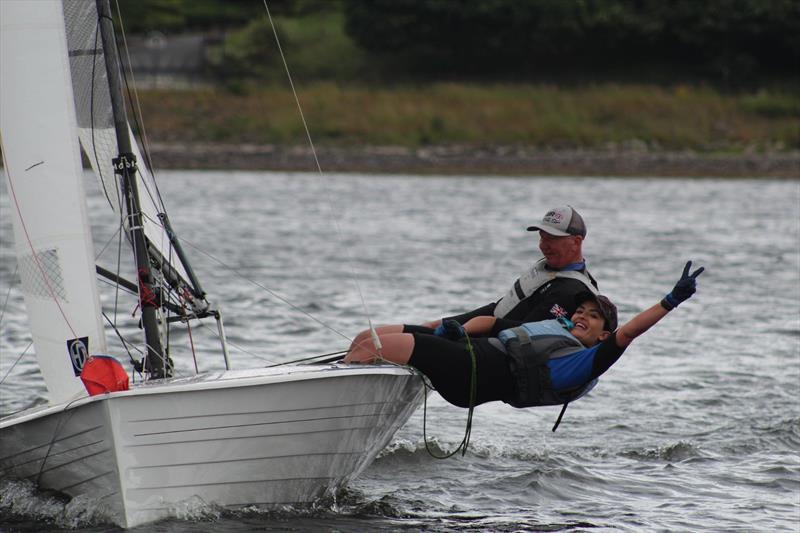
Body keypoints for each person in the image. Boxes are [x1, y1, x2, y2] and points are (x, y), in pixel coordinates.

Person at [345, 261, 704, 417]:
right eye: (581, 311)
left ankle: (337, 415)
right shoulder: (552, 333)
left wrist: (670, 301)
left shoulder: (588, 360)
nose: (582, 316)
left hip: (472, 374)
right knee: (370, 336)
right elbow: (491, 322)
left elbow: (630, 332)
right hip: (468, 354)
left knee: (374, 347)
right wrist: (450, 331)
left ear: (602, 336)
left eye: (593, 316)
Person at [349, 205, 599, 351]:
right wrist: (442, 325)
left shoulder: (572, 290)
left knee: (379, 345)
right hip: (482, 323)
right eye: (542, 237)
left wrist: (466, 331)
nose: (544, 245)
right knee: (367, 337)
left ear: (576, 241)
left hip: (488, 344)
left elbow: (526, 335)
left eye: (552, 239)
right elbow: (503, 307)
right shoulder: (546, 267)